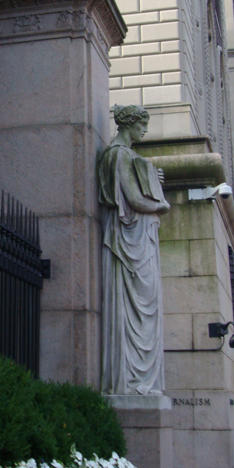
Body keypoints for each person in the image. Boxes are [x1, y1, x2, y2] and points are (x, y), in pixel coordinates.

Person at [99, 105, 170, 395]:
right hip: (129, 238)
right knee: (134, 307)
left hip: (139, 237)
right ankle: (130, 382)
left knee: (147, 308)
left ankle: (142, 380)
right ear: (127, 123)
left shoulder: (129, 157)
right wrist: (161, 205)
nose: (145, 129)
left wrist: (153, 180)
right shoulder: (117, 154)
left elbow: (137, 191)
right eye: (142, 123)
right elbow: (134, 199)